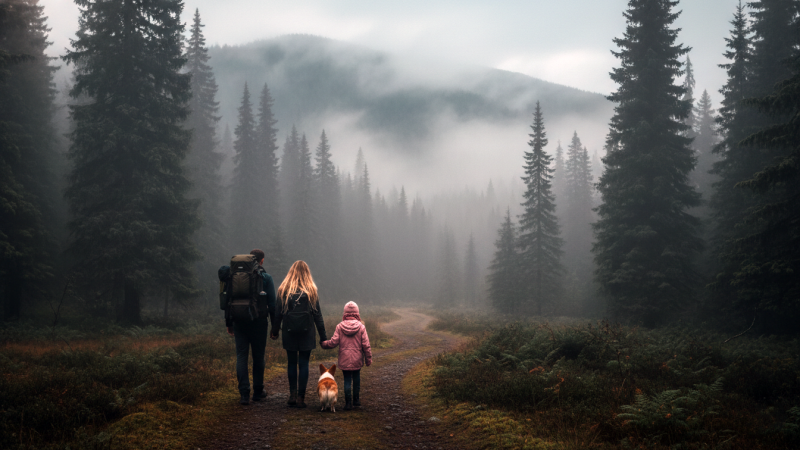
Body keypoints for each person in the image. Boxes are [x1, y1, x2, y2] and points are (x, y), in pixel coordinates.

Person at [271, 260, 327, 408]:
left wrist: (275, 332)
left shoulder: (283, 290)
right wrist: (323, 337)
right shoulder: (311, 291)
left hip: (289, 332)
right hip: (307, 333)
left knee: (291, 363)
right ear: (307, 273)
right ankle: (301, 398)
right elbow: (318, 316)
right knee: (303, 364)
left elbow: (278, 314)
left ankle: (292, 395)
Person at [225, 249, 277, 405]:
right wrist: (275, 328)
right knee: (258, 357)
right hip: (259, 322)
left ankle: (244, 394)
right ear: (261, 261)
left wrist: (229, 323)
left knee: (241, 357)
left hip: (239, 321)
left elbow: (227, 300)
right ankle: (258, 392)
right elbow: (272, 305)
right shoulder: (266, 278)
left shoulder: (234, 277)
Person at [321, 301, 372, 410]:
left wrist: (324, 344)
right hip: (357, 359)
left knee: (347, 380)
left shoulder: (340, 327)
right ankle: (356, 401)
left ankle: (348, 403)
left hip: (344, 359)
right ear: (357, 313)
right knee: (356, 379)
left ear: (345, 313)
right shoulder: (361, 327)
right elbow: (366, 345)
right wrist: (368, 359)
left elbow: (333, 342)